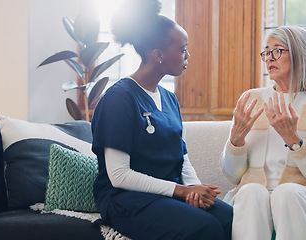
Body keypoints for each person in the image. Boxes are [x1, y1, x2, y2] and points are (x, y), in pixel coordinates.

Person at [91, 0, 232, 239]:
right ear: (158, 55)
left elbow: (182, 157)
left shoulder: (169, 99)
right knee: (206, 228)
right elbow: (119, 175)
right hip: (127, 200)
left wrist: (196, 190)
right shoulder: (118, 99)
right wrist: (181, 191)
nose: (189, 55)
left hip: (169, 196)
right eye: (182, 49)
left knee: (230, 219)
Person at [220, 26, 306, 240]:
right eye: (266, 52)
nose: (269, 58)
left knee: (286, 193)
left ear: (302, 55)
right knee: (251, 191)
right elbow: (232, 175)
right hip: (257, 195)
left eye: (278, 50)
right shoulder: (251, 98)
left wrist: (293, 139)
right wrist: (235, 140)